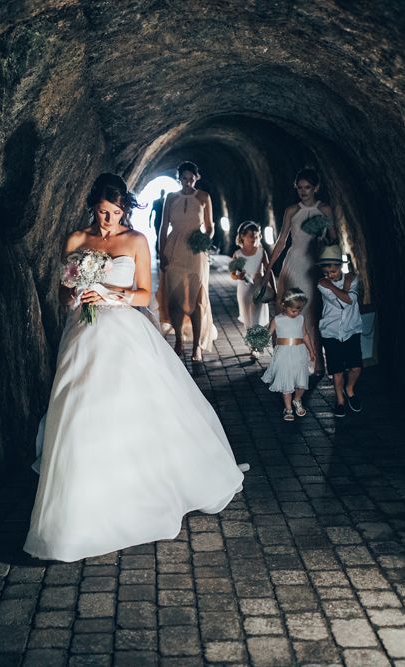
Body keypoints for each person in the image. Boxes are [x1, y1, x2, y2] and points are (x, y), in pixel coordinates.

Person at [24, 173, 246, 563]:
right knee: (78, 410)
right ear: (92, 207)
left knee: (127, 409)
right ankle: (77, 509)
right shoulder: (77, 240)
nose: (107, 219)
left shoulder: (137, 241)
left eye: (114, 212)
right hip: (82, 333)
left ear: (125, 209)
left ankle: (133, 493)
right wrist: (75, 290)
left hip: (123, 331)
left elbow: (144, 294)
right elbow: (61, 295)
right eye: (101, 212)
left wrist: (111, 293)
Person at [260, 168, 337, 375]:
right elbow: (282, 240)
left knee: (312, 313)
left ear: (316, 188)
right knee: (293, 312)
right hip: (294, 263)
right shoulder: (292, 210)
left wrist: (322, 237)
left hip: (313, 266)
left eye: (308, 187)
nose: (303, 191)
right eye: (300, 188)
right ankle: (290, 361)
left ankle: (317, 362)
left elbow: (334, 240)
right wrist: (268, 269)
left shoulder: (325, 210)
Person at [157, 161, 217, 362]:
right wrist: (161, 252)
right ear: (179, 178)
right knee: (174, 298)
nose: (188, 182)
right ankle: (179, 340)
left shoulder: (203, 197)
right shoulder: (171, 198)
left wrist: (204, 241)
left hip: (195, 250)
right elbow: (163, 226)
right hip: (174, 248)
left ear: (196, 178)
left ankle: (197, 346)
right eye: (184, 178)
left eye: (191, 179)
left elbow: (209, 226)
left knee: (196, 297)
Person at [316, 245, 363, 418]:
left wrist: (337, 286)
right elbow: (344, 302)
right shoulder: (322, 284)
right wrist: (339, 286)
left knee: (356, 367)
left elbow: (350, 299)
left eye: (333, 271)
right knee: (336, 371)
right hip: (331, 331)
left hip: (351, 329)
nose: (329, 276)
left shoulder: (354, 280)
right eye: (326, 273)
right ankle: (340, 400)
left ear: (340, 267)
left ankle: (349, 388)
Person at [261, 288, 316, 422]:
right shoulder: (277, 320)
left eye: (299, 310)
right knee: (286, 381)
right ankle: (288, 408)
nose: (297, 313)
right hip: (283, 353)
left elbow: (304, 335)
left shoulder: (300, 318)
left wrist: (312, 350)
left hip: (299, 352)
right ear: (284, 305)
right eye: (294, 310)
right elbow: (268, 334)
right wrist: (259, 341)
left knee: (301, 382)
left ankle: (297, 399)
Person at [230, 221, 272, 359]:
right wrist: (239, 276)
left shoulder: (261, 252)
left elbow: (268, 270)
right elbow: (233, 274)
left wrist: (272, 288)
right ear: (242, 237)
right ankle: (253, 344)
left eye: (256, 236)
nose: (254, 239)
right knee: (248, 320)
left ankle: (256, 347)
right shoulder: (237, 254)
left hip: (258, 289)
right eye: (250, 236)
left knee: (256, 318)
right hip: (243, 290)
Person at [150, 189, 166, 255]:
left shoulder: (165, 201)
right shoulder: (157, 202)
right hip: (158, 221)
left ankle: (159, 250)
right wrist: (149, 222)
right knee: (158, 236)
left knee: (161, 236)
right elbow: (151, 212)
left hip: (162, 221)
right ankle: (159, 251)